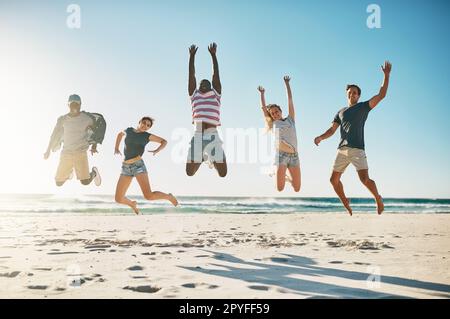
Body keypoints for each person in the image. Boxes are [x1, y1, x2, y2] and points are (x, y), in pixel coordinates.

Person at [314, 61, 392, 216]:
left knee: (365, 180)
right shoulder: (340, 112)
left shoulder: (364, 107)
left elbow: (382, 94)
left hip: (357, 149)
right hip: (342, 150)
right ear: (346, 94)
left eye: (355, 92)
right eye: (350, 92)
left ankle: (378, 198)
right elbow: (332, 130)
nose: (352, 94)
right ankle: (345, 202)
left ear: (359, 95)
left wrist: (386, 75)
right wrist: (321, 137)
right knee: (333, 180)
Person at [114, 116, 178, 214]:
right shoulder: (129, 130)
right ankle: (132, 204)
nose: (145, 126)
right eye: (144, 123)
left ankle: (168, 196)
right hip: (125, 167)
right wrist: (116, 148)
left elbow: (164, 141)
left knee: (148, 196)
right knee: (118, 198)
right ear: (139, 122)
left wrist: (157, 150)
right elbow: (119, 134)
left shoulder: (146, 136)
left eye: (148, 125)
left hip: (138, 166)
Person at [44, 94, 105, 187]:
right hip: (66, 153)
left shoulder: (87, 118)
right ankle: (69, 171)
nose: (74, 106)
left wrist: (94, 145)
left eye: (76, 104)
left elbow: (97, 130)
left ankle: (94, 173)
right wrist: (48, 150)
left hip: (80, 152)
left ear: (80, 105)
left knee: (85, 182)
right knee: (58, 183)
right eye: (72, 104)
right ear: (68, 105)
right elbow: (54, 135)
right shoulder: (62, 119)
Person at [186, 43, 227, 177]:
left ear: (211, 86)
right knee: (189, 172)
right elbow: (191, 75)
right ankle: (203, 157)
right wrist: (191, 57)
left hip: (212, 134)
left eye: (207, 83)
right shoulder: (194, 95)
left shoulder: (216, 94)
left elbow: (216, 74)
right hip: (198, 133)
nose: (204, 84)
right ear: (198, 86)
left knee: (222, 173)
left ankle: (211, 158)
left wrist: (214, 56)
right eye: (201, 83)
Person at [258, 76, 301, 192]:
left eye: (276, 111)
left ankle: (286, 178)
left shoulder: (290, 119)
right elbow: (263, 109)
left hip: (294, 156)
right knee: (280, 188)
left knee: (297, 188)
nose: (275, 114)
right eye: (272, 113)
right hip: (281, 156)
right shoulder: (273, 124)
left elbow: (290, 100)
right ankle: (276, 172)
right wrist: (262, 94)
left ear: (281, 111)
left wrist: (287, 84)